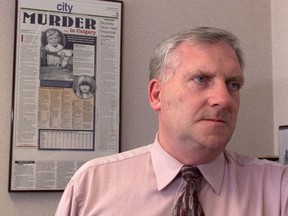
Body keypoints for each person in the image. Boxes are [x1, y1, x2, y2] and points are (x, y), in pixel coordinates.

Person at [55, 27, 288, 215]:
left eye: (233, 85)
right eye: (201, 79)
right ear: (157, 95)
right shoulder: (92, 186)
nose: (224, 99)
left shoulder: (278, 188)